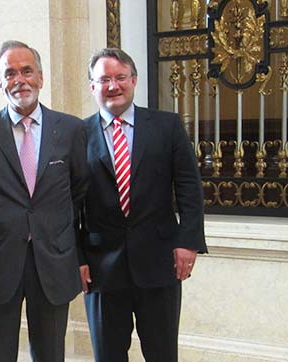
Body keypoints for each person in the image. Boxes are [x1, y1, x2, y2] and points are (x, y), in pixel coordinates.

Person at [0, 40, 89, 362]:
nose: (20, 79)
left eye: (27, 70)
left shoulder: (72, 129)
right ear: (0, 82)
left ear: (41, 77)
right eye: (10, 73)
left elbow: (79, 193)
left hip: (53, 258)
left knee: (50, 354)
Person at [79, 47, 207, 362]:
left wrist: (188, 242)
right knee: (108, 355)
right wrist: (76, 257)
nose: (113, 86)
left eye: (120, 77)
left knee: (162, 353)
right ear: (92, 86)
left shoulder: (167, 126)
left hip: (159, 260)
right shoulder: (76, 135)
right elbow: (69, 203)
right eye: (104, 79)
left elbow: (189, 187)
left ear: (134, 80)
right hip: (101, 268)